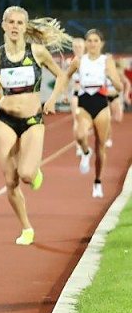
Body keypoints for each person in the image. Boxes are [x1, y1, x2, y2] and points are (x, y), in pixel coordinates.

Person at [0, 7, 69, 242]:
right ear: (3, 25)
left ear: (26, 27)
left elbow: (61, 75)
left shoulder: (37, 52)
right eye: (11, 22)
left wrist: (52, 100)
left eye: (19, 22)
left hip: (32, 120)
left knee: (26, 174)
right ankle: (27, 228)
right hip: (5, 120)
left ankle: (33, 172)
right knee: (10, 180)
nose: (15, 26)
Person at [64, 28, 126, 198]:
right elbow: (65, 76)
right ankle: (85, 152)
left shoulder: (107, 60)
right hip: (84, 103)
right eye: (89, 41)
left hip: (101, 104)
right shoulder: (79, 60)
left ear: (101, 43)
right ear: (86, 43)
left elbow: (119, 87)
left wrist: (111, 77)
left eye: (96, 41)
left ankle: (97, 182)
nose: (92, 44)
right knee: (80, 135)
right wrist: (60, 95)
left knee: (100, 147)